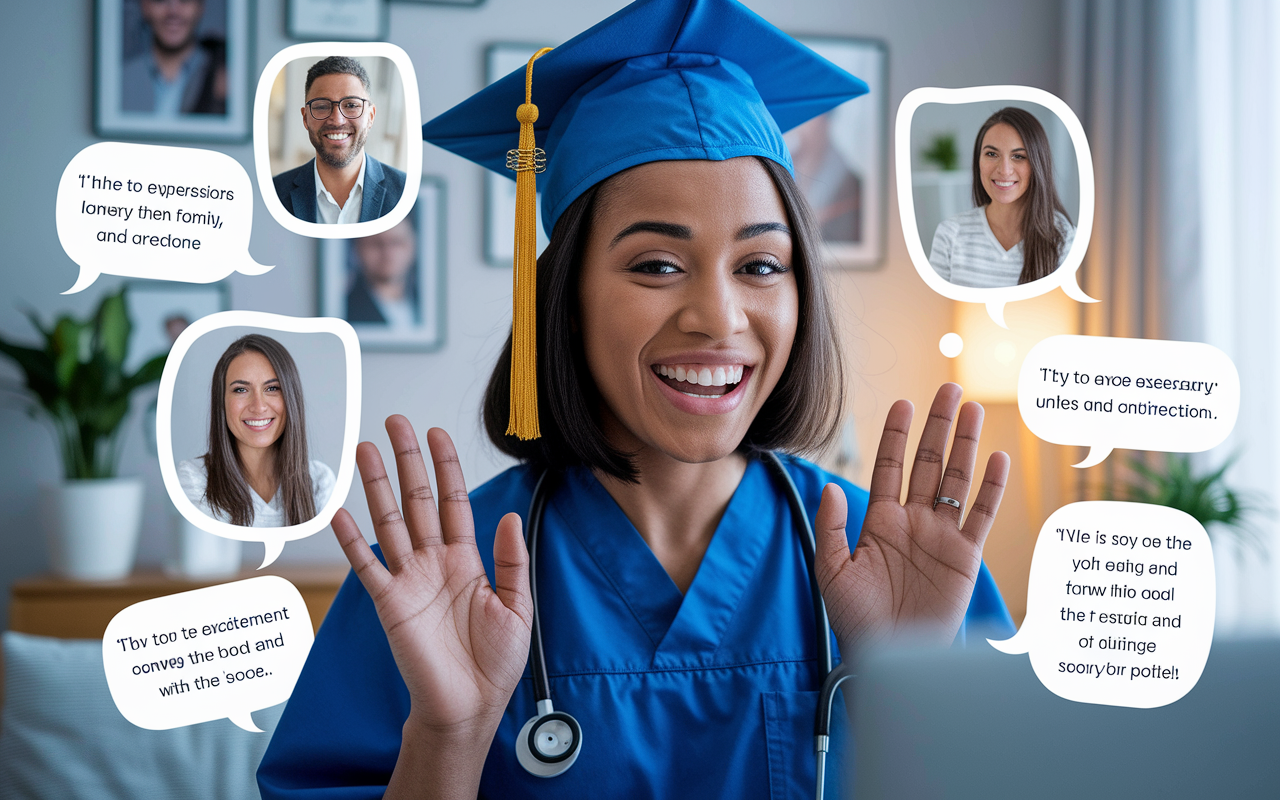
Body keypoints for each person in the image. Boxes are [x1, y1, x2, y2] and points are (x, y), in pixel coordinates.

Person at [258, 0, 1014, 797]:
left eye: (760, 266)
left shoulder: (900, 566)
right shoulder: (434, 576)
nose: (718, 318)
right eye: (656, 265)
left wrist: (913, 699)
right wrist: (448, 737)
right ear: (565, 297)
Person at [178, 334, 334, 527]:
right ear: (221, 402)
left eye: (272, 388)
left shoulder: (320, 482)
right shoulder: (194, 479)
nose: (258, 406)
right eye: (241, 390)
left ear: (291, 398)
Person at [928, 106, 1075, 287]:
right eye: (991, 154)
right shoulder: (950, 234)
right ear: (978, 162)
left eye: (1018, 156)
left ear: (1038, 163)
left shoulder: (1063, 236)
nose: (1004, 170)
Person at [272, 56, 407, 225]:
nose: (337, 120)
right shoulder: (274, 193)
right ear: (305, 118)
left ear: (370, 117)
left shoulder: (406, 192)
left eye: (351, 105)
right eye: (322, 106)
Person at [121, 0, 227, 115]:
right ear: (145, 7)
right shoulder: (119, 80)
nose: (173, 11)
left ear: (200, 7)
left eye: (185, 1)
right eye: (161, 1)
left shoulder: (225, 76)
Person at [345, 215, 420, 328]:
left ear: (413, 246)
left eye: (396, 242)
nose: (388, 253)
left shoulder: (429, 305)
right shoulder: (343, 308)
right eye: (376, 243)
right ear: (357, 248)